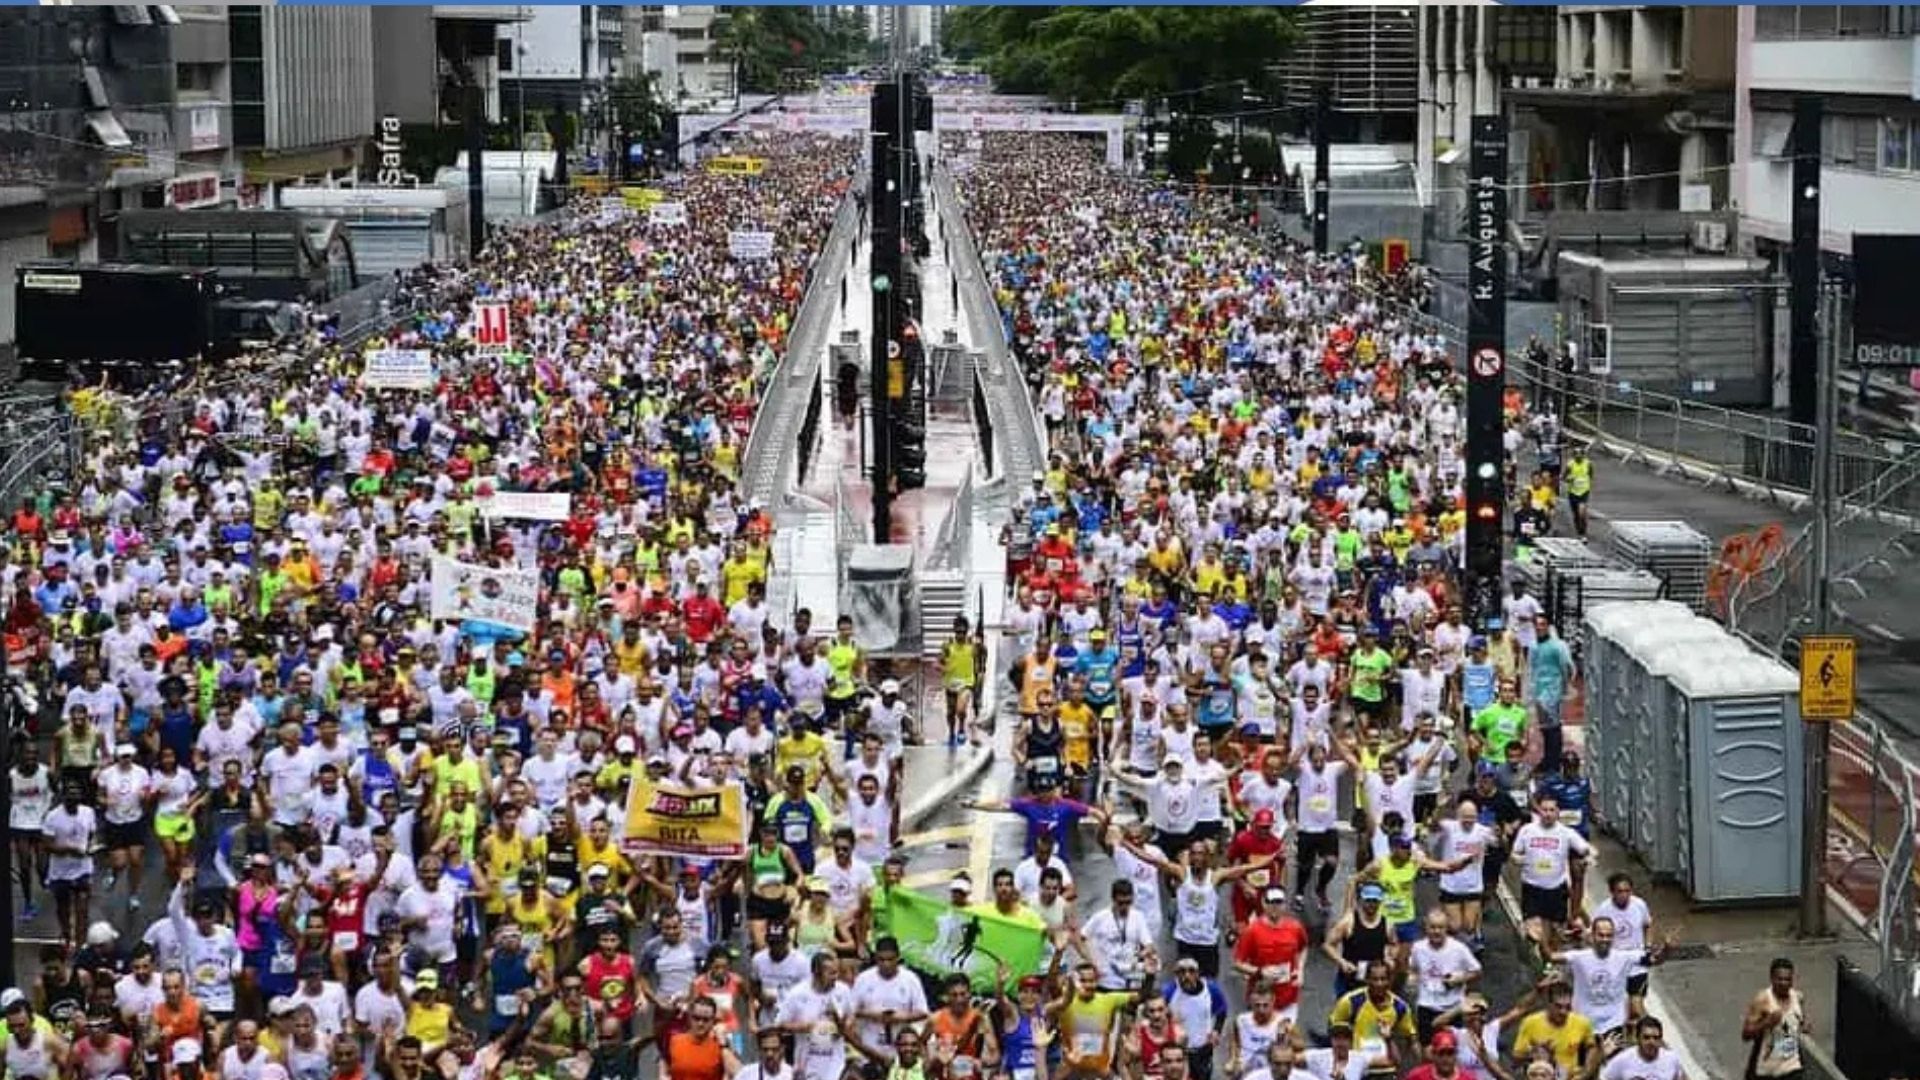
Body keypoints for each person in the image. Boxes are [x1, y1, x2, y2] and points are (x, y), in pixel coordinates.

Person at [1741, 958, 1806, 1080]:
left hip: (1791, 1066)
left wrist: (1804, 1026)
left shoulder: (1798, 997)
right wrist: (1767, 1023)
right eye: (1779, 979)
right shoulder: (1762, 1000)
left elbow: (1800, 1021)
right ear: (1772, 978)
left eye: (1787, 979)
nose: (1783, 983)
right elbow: (1746, 1034)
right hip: (1767, 1070)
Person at [1600, 1015, 1687, 1080]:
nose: (1651, 1042)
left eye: (1656, 1038)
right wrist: (1601, 1056)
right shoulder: (1623, 1060)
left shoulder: (1671, 1059)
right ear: (1638, 1039)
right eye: (1646, 1037)